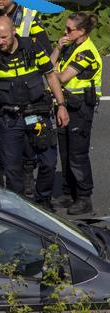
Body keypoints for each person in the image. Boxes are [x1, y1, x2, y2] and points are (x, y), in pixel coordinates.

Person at [0, 16, 69, 209]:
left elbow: (51, 76)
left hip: (37, 113)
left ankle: (43, 203)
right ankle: (19, 210)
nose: (0, 42)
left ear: (14, 32)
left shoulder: (34, 48)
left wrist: (61, 106)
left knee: (48, 161)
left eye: (4, 37)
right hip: (10, 119)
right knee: (12, 169)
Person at [0, 0, 51, 189]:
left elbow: (43, 46)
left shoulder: (29, 16)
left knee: (25, 128)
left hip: (23, 80)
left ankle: (27, 170)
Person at [49, 12, 102, 215]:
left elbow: (60, 77)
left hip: (80, 108)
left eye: (70, 29)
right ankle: (68, 192)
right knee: (65, 151)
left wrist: (51, 72)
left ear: (82, 31)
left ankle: (83, 197)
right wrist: (58, 47)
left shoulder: (86, 52)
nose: (65, 31)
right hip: (65, 105)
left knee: (77, 154)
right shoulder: (70, 46)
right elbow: (49, 65)